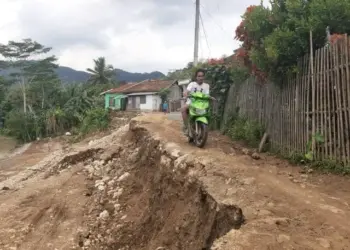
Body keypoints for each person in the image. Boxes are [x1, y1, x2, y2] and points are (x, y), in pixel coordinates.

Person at [181, 68, 215, 135]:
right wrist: (185, 94)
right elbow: (186, 91)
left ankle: (203, 127)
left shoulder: (206, 86)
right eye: (199, 76)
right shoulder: (192, 84)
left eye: (202, 76)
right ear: (196, 77)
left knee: (209, 112)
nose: (201, 77)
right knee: (183, 109)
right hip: (191, 102)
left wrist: (211, 98)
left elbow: (207, 95)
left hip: (202, 104)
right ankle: (186, 127)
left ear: (204, 77)